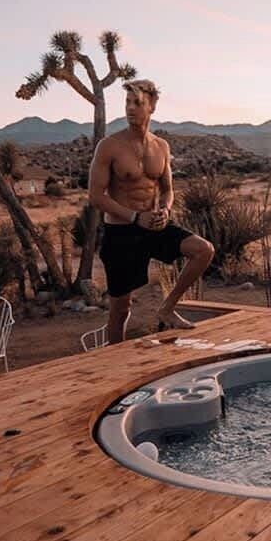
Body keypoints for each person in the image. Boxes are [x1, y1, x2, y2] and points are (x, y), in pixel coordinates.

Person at [87, 78, 214, 343]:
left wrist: (166, 210)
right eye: (127, 102)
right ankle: (113, 368)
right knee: (120, 311)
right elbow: (95, 196)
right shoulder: (109, 146)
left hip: (154, 226)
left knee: (203, 250)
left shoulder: (161, 147)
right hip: (121, 232)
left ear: (152, 107)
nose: (130, 108)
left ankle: (167, 308)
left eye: (137, 103)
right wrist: (135, 217)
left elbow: (168, 190)